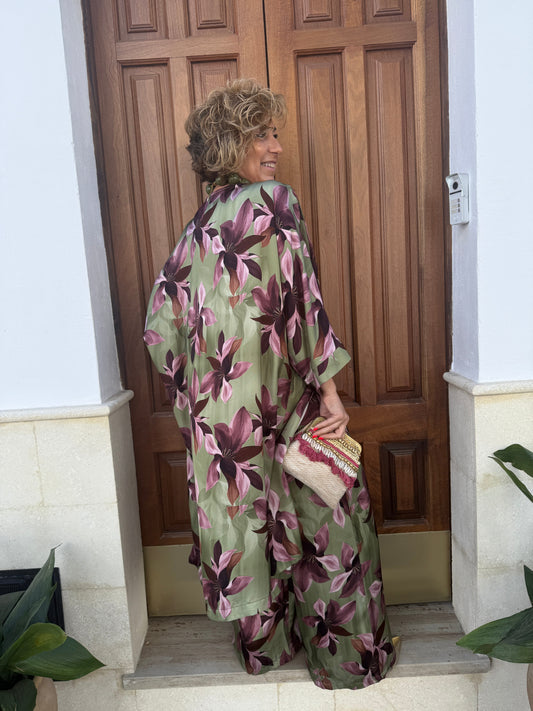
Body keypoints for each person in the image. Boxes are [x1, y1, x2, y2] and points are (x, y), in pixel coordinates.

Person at [144, 78, 397, 690]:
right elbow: (302, 300)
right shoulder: (273, 201)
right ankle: (347, 664)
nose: (276, 146)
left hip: (224, 424)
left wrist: (203, 395)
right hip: (284, 403)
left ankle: (269, 652)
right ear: (231, 145)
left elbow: (158, 329)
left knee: (258, 530)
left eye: (274, 133)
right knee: (332, 523)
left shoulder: (196, 229)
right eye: (262, 134)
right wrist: (329, 389)